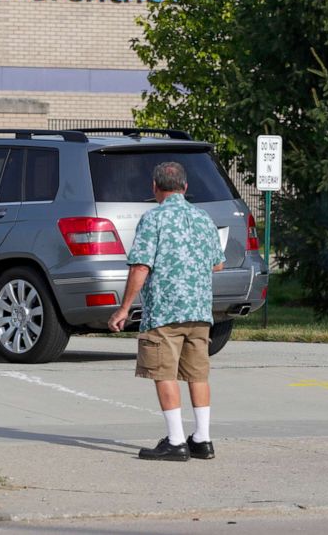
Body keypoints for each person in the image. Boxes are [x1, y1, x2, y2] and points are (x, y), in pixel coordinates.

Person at [108, 161, 225, 462]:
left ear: (155, 188)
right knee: (197, 374)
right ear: (186, 188)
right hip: (200, 311)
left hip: (164, 312)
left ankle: (175, 441)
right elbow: (218, 263)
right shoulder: (203, 218)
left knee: (164, 373)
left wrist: (124, 308)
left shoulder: (153, 219)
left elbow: (141, 266)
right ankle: (202, 439)